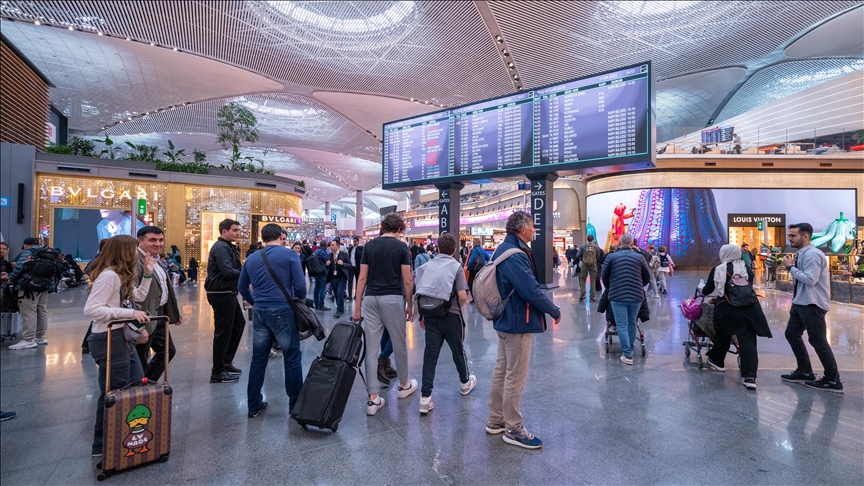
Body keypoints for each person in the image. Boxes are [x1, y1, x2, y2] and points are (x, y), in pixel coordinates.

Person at [486, 211, 561, 450]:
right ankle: (513, 428)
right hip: (517, 322)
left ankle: (496, 420)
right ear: (522, 229)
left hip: (505, 320)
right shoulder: (516, 256)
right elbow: (531, 290)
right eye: (532, 227)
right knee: (515, 376)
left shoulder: (502, 249)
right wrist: (554, 309)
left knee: (502, 370)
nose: (534, 231)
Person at [83, 235, 153, 457]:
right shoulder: (109, 276)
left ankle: (122, 437)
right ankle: (102, 445)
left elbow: (137, 297)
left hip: (121, 337)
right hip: (108, 338)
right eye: (134, 249)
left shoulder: (121, 276)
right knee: (113, 392)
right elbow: (92, 309)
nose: (137, 253)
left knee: (133, 385)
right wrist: (130, 313)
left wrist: (148, 273)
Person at [237, 224, 306, 417]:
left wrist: (255, 301)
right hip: (283, 310)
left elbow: (242, 287)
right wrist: (297, 300)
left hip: (260, 311)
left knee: (258, 359)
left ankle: (253, 405)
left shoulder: (251, 258)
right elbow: (301, 287)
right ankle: (295, 405)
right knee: (291, 357)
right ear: (281, 235)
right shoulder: (290, 255)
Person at [352, 213, 418, 416]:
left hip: (370, 299)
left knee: (371, 348)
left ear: (382, 227)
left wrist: (357, 307)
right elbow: (407, 280)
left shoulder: (369, 246)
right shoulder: (400, 247)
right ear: (400, 229)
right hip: (392, 298)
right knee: (399, 343)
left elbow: (362, 278)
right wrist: (409, 304)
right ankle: (404, 386)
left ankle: (372, 399)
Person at [415, 233, 476, 415]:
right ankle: (465, 383)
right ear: (454, 250)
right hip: (451, 317)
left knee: (430, 356)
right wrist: (456, 307)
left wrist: (424, 316)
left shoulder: (427, 265)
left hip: (430, 316)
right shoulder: (456, 267)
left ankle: (425, 398)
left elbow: (422, 290)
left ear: (438, 249)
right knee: (458, 351)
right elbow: (463, 296)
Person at [781, 223, 843, 393]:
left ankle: (833, 379)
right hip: (801, 302)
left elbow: (810, 279)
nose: (789, 238)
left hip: (812, 304)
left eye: (793, 236)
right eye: (789, 235)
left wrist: (789, 267)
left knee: (818, 340)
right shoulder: (801, 254)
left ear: (805, 236)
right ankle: (805, 371)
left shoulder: (813, 255)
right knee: (792, 334)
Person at [700, 244, 772, 389]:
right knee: (748, 342)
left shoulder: (719, 269)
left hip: (727, 309)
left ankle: (717, 361)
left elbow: (708, 290)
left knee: (723, 334)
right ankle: (750, 377)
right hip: (749, 309)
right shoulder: (746, 268)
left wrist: (701, 287)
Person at [134, 226, 182, 382]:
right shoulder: (136, 262)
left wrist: (172, 313)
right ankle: (138, 390)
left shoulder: (157, 260)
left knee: (167, 351)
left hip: (159, 316)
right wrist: (138, 326)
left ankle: (146, 382)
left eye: (161, 240)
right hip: (143, 318)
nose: (158, 244)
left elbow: (163, 290)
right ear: (139, 242)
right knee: (141, 357)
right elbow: (131, 297)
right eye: (152, 240)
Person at [205, 219, 246, 384]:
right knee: (223, 332)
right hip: (221, 293)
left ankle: (226, 361)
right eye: (235, 230)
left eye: (238, 230)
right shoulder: (222, 247)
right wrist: (247, 269)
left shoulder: (228, 247)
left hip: (227, 292)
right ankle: (218, 371)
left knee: (238, 325)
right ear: (224, 232)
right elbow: (228, 271)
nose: (237, 233)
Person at [601, 233, 650, 366]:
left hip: (617, 296)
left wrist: (610, 287)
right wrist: (639, 285)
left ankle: (627, 355)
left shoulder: (611, 257)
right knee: (632, 322)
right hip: (636, 296)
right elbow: (647, 276)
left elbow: (604, 276)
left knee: (621, 325)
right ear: (632, 244)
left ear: (620, 243)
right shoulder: (640, 257)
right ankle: (630, 348)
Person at [7, 237, 52, 349]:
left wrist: (11, 279)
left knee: (28, 313)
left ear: (26, 245)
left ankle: (28, 339)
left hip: (28, 288)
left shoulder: (27, 252)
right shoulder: (46, 252)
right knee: (42, 311)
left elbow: (19, 267)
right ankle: (40, 337)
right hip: (44, 286)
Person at [326, 240, 351, 318]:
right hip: (333, 278)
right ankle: (340, 309)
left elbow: (350, 265)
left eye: (333, 245)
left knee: (340, 293)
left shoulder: (344, 254)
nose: (331, 246)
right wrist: (326, 265)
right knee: (336, 294)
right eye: (331, 245)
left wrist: (343, 264)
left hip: (341, 278)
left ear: (337, 246)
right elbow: (326, 266)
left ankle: (339, 310)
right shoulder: (329, 255)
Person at [577, 235, 602, 302]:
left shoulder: (583, 246)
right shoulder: (596, 247)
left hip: (584, 264)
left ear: (587, 239)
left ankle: (583, 294)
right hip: (593, 264)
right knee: (593, 279)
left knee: (582, 278)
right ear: (593, 239)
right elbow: (598, 255)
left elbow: (578, 255)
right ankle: (592, 297)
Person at [311, 241, 330, 311]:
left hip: (316, 272)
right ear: (325, 245)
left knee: (316, 288)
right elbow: (325, 262)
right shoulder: (323, 252)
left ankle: (316, 304)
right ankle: (321, 304)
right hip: (322, 272)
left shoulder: (316, 251)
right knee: (322, 288)